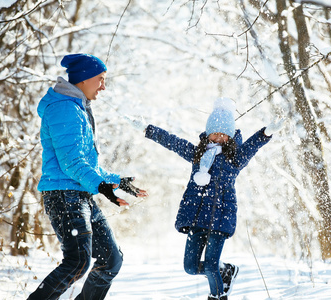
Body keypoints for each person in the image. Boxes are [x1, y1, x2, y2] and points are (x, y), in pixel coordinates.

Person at [28, 53, 148, 300]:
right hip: (63, 195)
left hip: (79, 195)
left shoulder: (76, 108)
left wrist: (115, 180)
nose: (103, 86)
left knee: (110, 260)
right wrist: (102, 187)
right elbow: (71, 163)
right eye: (101, 79)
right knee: (78, 262)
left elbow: (85, 163)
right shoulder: (64, 108)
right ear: (83, 79)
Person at [141, 97, 282, 300]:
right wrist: (149, 130)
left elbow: (252, 146)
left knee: (210, 266)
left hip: (220, 218)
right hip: (197, 219)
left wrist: (265, 133)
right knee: (190, 267)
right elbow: (173, 142)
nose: (217, 137)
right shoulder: (197, 155)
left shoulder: (235, 159)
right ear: (207, 134)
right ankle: (226, 271)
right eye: (214, 132)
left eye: (223, 134)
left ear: (229, 136)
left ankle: (217, 296)